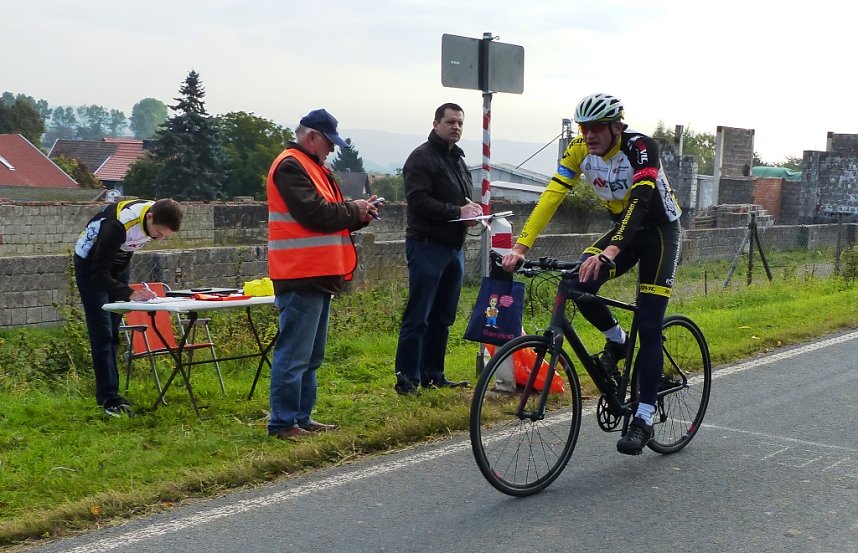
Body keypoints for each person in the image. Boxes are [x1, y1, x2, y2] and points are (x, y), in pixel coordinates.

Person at [502, 93, 682, 455]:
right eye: (584, 128)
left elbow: (641, 202)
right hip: (623, 230)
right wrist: (522, 246)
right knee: (575, 284)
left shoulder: (641, 147)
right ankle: (616, 340)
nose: (589, 135)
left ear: (618, 126)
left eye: (597, 128)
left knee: (649, 326)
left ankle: (644, 417)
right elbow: (553, 194)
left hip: (659, 232)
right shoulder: (578, 150)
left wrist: (611, 250)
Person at [266, 108, 379, 441]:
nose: (332, 149)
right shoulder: (291, 165)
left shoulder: (312, 166)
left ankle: (301, 417)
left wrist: (360, 215)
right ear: (311, 136)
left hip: (318, 273)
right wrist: (353, 209)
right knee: (294, 354)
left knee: (311, 355)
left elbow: (330, 215)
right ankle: (283, 423)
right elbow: (314, 214)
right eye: (328, 142)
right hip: (300, 272)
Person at [393, 102, 483, 396]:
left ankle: (433, 374)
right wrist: (457, 211)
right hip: (427, 245)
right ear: (435, 124)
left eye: (459, 123)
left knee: (444, 316)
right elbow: (418, 202)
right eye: (450, 122)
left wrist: (469, 216)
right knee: (418, 316)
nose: (455, 127)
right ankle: (407, 380)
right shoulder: (421, 158)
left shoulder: (458, 159)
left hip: (453, 247)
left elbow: (460, 203)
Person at [74, 198, 183, 417]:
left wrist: (128, 290)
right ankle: (108, 400)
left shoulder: (155, 215)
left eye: (164, 236)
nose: (159, 238)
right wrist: (129, 293)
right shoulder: (118, 225)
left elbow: (128, 249)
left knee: (114, 333)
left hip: (119, 263)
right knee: (102, 333)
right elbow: (98, 273)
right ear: (150, 217)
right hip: (92, 266)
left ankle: (113, 394)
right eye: (159, 233)